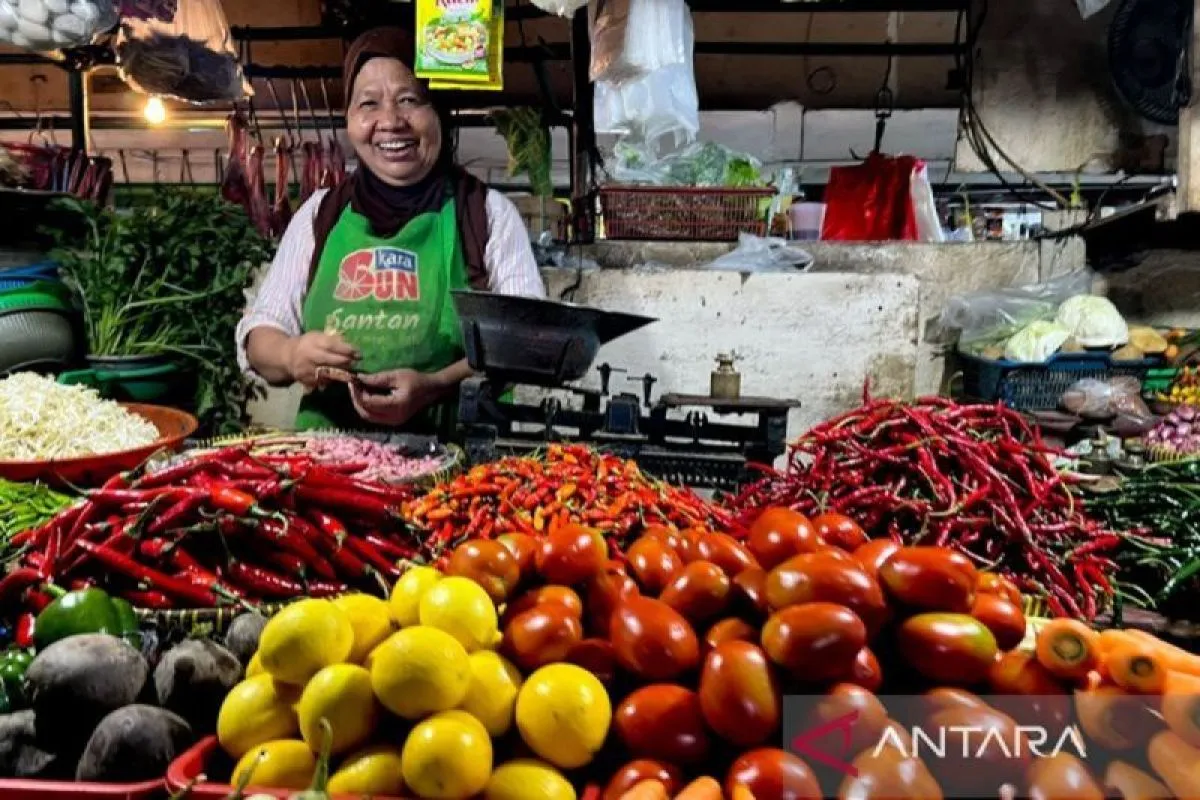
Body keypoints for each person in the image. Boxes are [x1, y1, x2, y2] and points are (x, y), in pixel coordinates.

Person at [236, 26, 546, 433]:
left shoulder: (485, 213)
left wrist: (436, 385)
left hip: (459, 459)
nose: (390, 122)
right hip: (329, 459)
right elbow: (261, 337)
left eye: (409, 100)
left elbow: (527, 340)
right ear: (349, 118)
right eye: (369, 103)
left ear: (438, 112)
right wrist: (291, 354)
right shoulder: (320, 213)